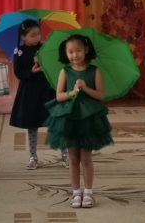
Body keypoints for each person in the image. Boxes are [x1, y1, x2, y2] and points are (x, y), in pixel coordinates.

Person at [44, 34, 113, 209]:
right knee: (73, 157)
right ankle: (76, 192)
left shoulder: (95, 71)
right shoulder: (65, 72)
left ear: (86, 50)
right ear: (66, 53)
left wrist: (86, 88)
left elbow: (101, 95)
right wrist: (72, 93)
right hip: (69, 118)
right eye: (71, 52)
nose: (75, 55)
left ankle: (88, 192)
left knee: (86, 158)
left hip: (88, 118)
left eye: (78, 51)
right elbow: (59, 96)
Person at [8, 20, 67, 170]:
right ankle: (33, 156)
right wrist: (31, 71)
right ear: (23, 37)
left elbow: (56, 65)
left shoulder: (44, 47)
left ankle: (65, 154)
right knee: (32, 123)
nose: (37, 37)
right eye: (32, 35)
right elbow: (18, 73)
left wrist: (45, 58)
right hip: (30, 92)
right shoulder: (19, 52)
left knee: (57, 122)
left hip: (48, 90)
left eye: (39, 34)